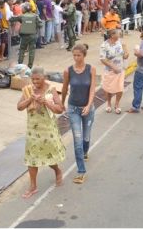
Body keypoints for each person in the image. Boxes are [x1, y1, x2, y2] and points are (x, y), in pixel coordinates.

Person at [17, 66, 65, 198]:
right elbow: (19, 107)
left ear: (44, 78)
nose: (35, 82)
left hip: (48, 130)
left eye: (38, 79)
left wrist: (46, 102)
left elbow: (60, 109)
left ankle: (57, 170)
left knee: (49, 157)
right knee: (32, 159)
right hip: (33, 130)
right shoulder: (28, 90)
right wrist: (30, 99)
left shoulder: (51, 90)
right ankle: (33, 186)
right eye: (33, 79)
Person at [61, 44, 96, 184]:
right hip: (73, 108)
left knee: (86, 137)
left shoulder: (91, 69)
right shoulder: (68, 71)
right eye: (74, 55)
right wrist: (61, 103)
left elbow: (93, 89)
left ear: (84, 55)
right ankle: (81, 171)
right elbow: (64, 88)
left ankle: (85, 152)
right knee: (77, 139)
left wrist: (88, 105)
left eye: (78, 55)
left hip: (87, 108)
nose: (76, 58)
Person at [100, 29, 129, 114]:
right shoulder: (104, 45)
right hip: (109, 71)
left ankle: (117, 104)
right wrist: (113, 67)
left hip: (120, 70)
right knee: (108, 88)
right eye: (118, 33)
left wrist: (126, 53)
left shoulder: (120, 43)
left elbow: (125, 55)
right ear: (112, 35)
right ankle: (108, 103)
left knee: (119, 88)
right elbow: (102, 59)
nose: (120, 34)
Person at [9, 3, 42, 68]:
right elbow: (40, 25)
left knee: (22, 50)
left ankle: (20, 65)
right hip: (33, 35)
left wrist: (21, 21)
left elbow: (11, 19)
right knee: (32, 50)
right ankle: (30, 66)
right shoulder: (35, 16)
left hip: (24, 36)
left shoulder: (21, 16)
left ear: (24, 9)